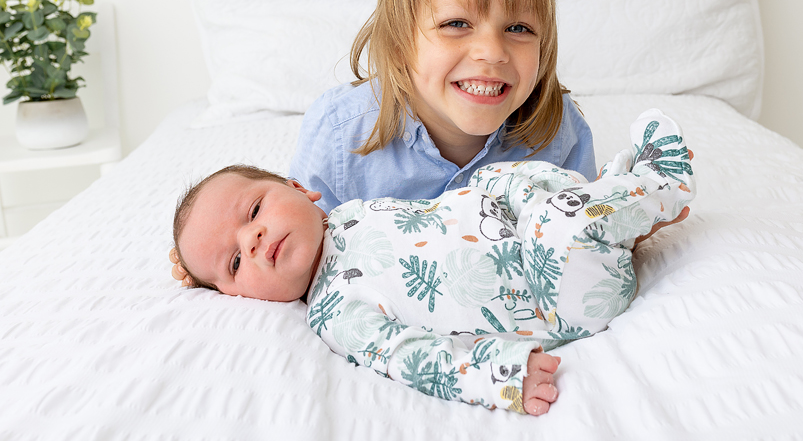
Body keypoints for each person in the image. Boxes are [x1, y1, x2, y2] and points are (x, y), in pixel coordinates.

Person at [171, 109, 695, 416]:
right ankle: (657, 187)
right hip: (557, 294)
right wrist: (500, 376)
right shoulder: (334, 312)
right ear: (239, 297)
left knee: (501, 179)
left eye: (255, 210)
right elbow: (412, 357)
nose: (256, 238)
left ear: (298, 187)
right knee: (563, 226)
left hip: (520, 223)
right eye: (236, 261)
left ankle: (612, 189)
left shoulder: (351, 212)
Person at [288, 0, 597, 216]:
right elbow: (305, 255)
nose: (491, 52)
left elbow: (584, 244)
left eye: (518, 28)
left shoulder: (558, 132)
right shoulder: (337, 136)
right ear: (399, 45)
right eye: (456, 23)